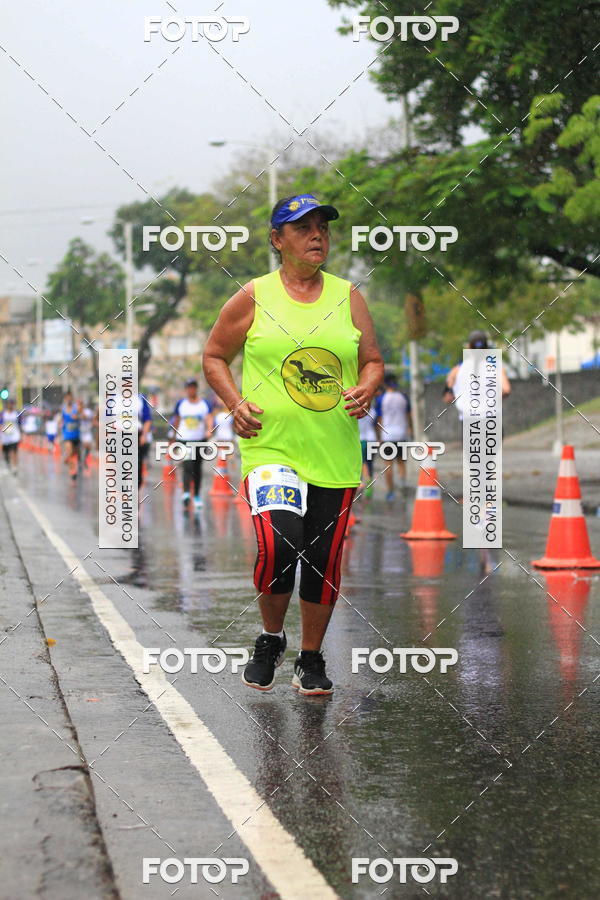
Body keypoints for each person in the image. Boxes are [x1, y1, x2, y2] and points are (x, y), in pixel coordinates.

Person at [203, 193, 384, 695]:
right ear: (277, 240)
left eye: (323, 227)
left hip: (334, 450)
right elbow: (215, 355)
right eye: (303, 228)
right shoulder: (254, 296)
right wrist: (234, 403)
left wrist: (368, 384)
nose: (317, 235)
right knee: (278, 543)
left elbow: (372, 359)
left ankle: (310, 656)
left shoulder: (348, 296)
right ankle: (269, 638)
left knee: (323, 556)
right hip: (271, 448)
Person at [443, 330, 511, 418]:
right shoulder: (497, 368)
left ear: (468, 347)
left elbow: (447, 397)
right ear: (486, 348)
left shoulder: (456, 370)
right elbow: (506, 390)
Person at [172, 378, 213, 509]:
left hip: (200, 440)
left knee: (197, 469)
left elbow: (209, 418)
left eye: (193, 387)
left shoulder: (204, 404)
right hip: (183, 440)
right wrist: (173, 436)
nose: (191, 390)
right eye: (189, 387)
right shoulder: (181, 404)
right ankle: (185, 493)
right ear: (186, 389)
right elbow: (177, 420)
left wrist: (208, 430)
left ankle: (196, 495)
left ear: (196, 389)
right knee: (187, 465)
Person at [376, 373, 413, 500]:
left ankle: (390, 492)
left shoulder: (381, 399)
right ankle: (403, 487)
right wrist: (410, 429)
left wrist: (379, 437)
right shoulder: (403, 397)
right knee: (401, 463)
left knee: (388, 464)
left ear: (385, 384)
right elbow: (409, 416)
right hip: (401, 433)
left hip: (387, 435)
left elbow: (379, 419)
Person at [59, 391, 80, 479]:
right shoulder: (63, 409)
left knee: (75, 453)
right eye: (67, 397)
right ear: (65, 399)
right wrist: (59, 423)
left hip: (76, 434)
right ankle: (72, 470)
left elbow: (82, 416)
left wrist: (77, 417)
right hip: (67, 434)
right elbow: (61, 419)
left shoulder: (77, 407)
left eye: (70, 397)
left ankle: (70, 463)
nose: (69, 399)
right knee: (70, 451)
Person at [136, 393, 153, 491]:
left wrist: (144, 435)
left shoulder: (140, 398)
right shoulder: (114, 397)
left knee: (137, 464)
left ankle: (135, 490)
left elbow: (147, 419)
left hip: (136, 434)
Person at [1, 399, 21, 473]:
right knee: (6, 454)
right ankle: (8, 464)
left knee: (14, 451)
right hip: (5, 437)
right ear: (7, 405)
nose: (10, 406)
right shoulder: (3, 414)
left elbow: (20, 424)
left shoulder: (16, 413)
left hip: (15, 436)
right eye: (9, 404)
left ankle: (15, 467)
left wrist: (21, 434)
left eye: (12, 404)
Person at [79, 400, 94, 468]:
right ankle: (80, 460)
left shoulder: (87, 411)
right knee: (81, 446)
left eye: (81, 404)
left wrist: (81, 412)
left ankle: (84, 458)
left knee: (88, 446)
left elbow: (85, 417)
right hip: (80, 431)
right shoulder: (76, 411)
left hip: (87, 431)